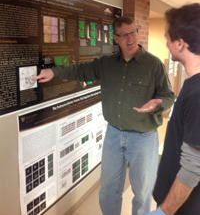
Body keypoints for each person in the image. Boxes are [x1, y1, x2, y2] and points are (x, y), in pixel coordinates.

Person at [32, 16, 174, 215]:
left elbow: (168, 95)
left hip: (143, 138)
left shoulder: (153, 64)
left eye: (133, 32)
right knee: (108, 190)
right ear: (116, 38)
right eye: (124, 35)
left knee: (142, 192)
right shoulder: (106, 63)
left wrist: (158, 103)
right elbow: (80, 70)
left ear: (138, 33)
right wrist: (54, 72)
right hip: (114, 135)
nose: (130, 38)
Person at [147, 3, 200, 215]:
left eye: (168, 37)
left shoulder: (197, 94)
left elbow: (192, 167)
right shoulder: (192, 85)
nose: (166, 43)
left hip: (182, 208)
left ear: (180, 43)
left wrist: (164, 212)